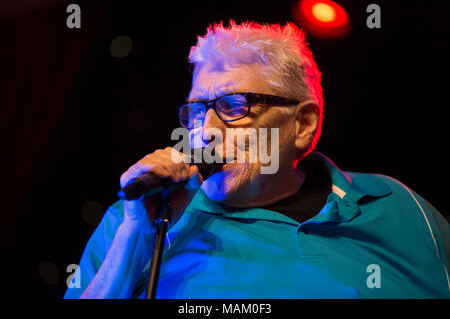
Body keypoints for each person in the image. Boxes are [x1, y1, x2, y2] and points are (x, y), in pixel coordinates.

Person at [64, 21, 450, 299]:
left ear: (302, 124)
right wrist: (134, 241)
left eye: (234, 106)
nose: (206, 131)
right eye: (197, 110)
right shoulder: (138, 215)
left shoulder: (400, 207)